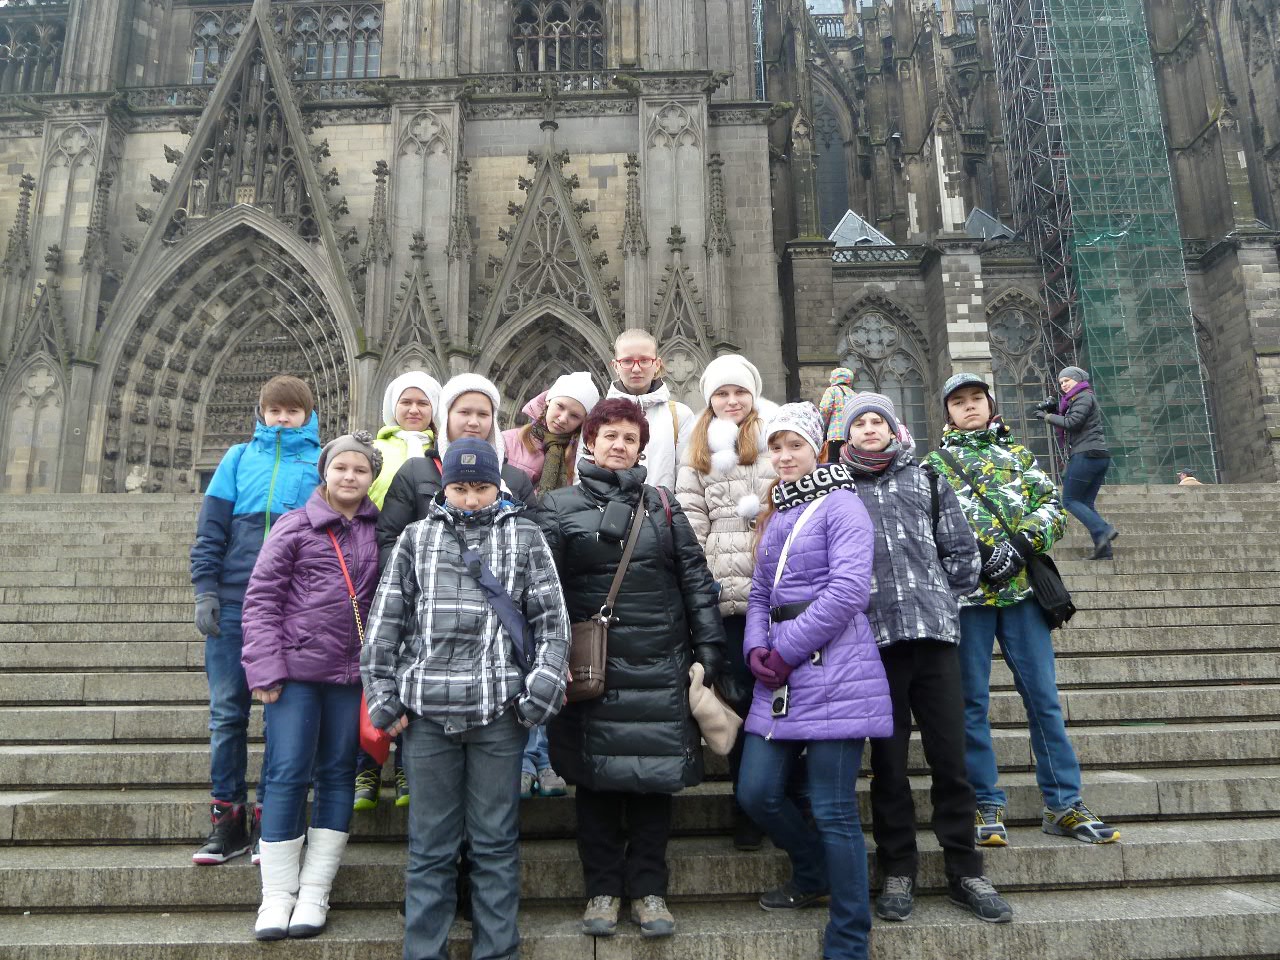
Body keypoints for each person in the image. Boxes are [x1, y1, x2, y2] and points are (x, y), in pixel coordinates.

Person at [362, 438, 571, 960]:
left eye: (481, 487)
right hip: (426, 718)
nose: (472, 498)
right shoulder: (415, 538)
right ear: (445, 488)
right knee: (430, 850)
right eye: (461, 488)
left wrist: (538, 695)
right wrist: (383, 697)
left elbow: (553, 623)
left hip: (499, 714)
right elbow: (385, 624)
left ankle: (497, 951)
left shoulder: (525, 536)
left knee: (495, 846)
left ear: (498, 486)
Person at [537, 397, 728, 939]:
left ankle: (649, 890)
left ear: (641, 448)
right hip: (591, 667)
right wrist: (549, 656)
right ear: (590, 442)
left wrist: (709, 649)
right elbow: (543, 591)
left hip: (660, 663)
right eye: (610, 436)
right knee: (595, 783)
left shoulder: (663, 505)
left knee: (652, 783)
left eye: (630, 438)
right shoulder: (556, 506)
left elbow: (695, 580)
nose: (619, 446)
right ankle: (601, 889)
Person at [840, 393, 1011, 924]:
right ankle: (898, 869)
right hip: (876, 645)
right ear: (847, 434)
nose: (870, 429)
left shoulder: (928, 479)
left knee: (950, 761)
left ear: (894, 430)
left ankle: (965, 869)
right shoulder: (838, 488)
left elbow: (961, 552)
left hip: (934, 639)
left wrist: (937, 595)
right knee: (888, 766)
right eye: (860, 423)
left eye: (879, 421)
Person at [929, 373, 1120, 846]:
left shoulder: (1018, 455)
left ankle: (1064, 803)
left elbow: (1052, 506)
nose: (969, 406)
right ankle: (984, 802)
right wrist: (975, 554)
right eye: (958, 401)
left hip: (1023, 595)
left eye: (976, 398)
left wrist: (1018, 546)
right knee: (970, 703)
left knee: (1043, 699)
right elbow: (927, 524)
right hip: (967, 598)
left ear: (989, 403)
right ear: (947, 411)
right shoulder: (933, 466)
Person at [735, 402, 892, 960]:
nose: (783, 456)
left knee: (833, 809)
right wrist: (756, 645)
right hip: (779, 674)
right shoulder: (778, 510)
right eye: (775, 447)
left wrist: (785, 649)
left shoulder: (843, 504)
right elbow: (760, 592)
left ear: (817, 449)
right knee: (756, 792)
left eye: (794, 446)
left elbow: (848, 591)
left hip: (836, 670)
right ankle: (812, 871)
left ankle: (849, 937)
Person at [240, 431, 381, 940]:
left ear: (372, 478)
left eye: (360, 470)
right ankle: (277, 895)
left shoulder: (378, 530)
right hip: (297, 675)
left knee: (339, 775)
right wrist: (264, 669)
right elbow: (262, 599)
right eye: (341, 467)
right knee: (286, 775)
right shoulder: (294, 525)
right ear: (325, 471)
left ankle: (316, 890)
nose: (349, 476)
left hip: (350, 676)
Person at [189, 375, 321, 866]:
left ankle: (273, 818)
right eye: (274, 410)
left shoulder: (320, 462)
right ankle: (227, 820)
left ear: (308, 415)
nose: (283, 419)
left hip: (291, 607)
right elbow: (211, 529)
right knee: (227, 714)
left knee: (281, 716)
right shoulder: (238, 458)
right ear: (261, 413)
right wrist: (206, 589)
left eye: (292, 411)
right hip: (234, 600)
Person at [674, 353, 776, 850]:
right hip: (726, 601)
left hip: (773, 595)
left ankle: (783, 797)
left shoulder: (774, 436)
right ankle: (747, 807)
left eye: (739, 392)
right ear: (709, 399)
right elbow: (690, 524)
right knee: (738, 701)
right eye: (721, 393)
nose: (731, 401)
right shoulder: (695, 449)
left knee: (781, 701)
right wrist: (701, 588)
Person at [502, 371, 600, 800]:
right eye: (560, 407)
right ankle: (526, 759)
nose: (563, 418)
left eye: (574, 415)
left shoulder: (582, 456)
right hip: (512, 562)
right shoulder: (509, 441)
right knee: (521, 659)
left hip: (558, 563)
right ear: (546, 403)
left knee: (552, 660)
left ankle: (543, 757)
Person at [354, 370, 444, 811]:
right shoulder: (370, 450)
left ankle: (406, 762)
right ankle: (367, 764)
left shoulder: (443, 453)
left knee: (413, 666)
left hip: (430, 574)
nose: (413, 409)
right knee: (375, 662)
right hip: (375, 563)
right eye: (406, 402)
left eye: (422, 403)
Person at [377, 373, 536, 567]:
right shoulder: (415, 471)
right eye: (464, 412)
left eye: (483, 414)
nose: (474, 422)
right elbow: (389, 540)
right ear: (446, 416)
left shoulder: (515, 479)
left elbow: (532, 546)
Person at [582, 328, 695, 490]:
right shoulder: (596, 415)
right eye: (627, 361)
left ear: (657, 364)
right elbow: (583, 471)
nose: (636, 369)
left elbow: (687, 477)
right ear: (615, 366)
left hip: (662, 505)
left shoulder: (680, 415)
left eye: (644, 360)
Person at [1034, 366, 1118, 559]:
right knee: (1086, 503)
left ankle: (1105, 529)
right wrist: (1054, 411)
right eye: (1061, 382)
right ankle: (1103, 549)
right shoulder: (1077, 399)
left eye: (1067, 380)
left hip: (1086, 454)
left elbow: (1073, 423)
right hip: (1097, 455)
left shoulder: (1083, 397)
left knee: (1070, 500)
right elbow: (1073, 421)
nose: (1063, 385)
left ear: (1078, 380)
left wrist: (1047, 417)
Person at [817, 366, 856, 463]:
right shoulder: (854, 394)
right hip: (851, 435)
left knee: (833, 461)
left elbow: (825, 408)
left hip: (835, 434)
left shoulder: (832, 390)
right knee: (848, 461)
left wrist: (825, 422)